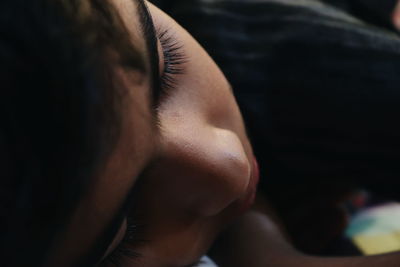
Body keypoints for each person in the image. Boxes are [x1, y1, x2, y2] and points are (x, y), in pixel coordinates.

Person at [2, 0, 400, 267]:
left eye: (167, 66)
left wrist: (262, 243)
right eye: (128, 233)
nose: (231, 165)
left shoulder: (262, 49)